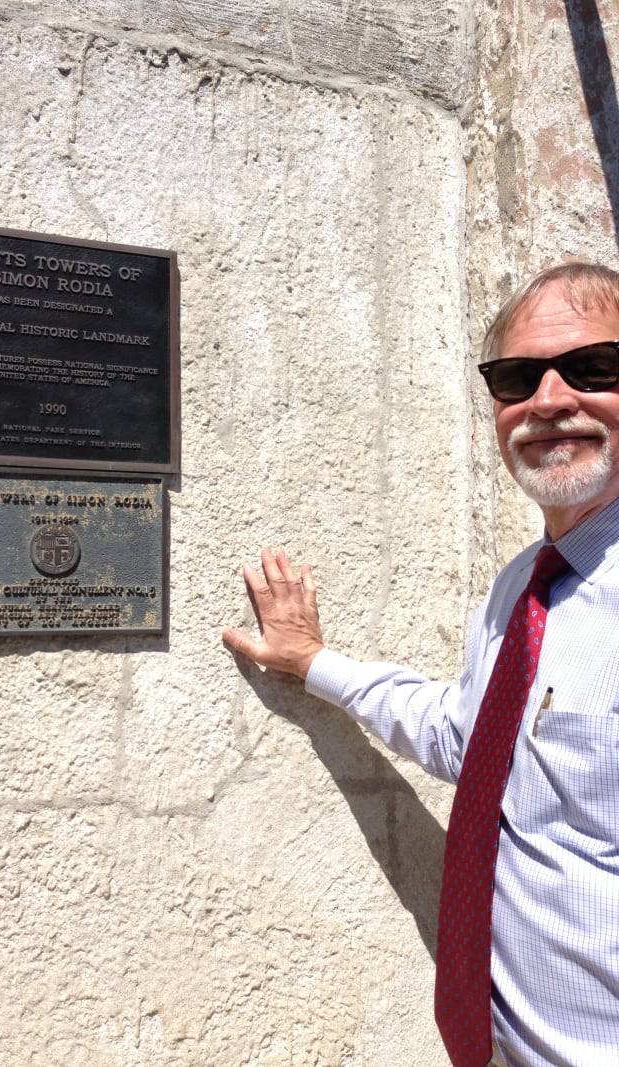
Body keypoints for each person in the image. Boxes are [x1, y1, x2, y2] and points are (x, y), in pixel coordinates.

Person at [222, 261, 619, 1067]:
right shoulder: (524, 587)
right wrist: (313, 662)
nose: (549, 400)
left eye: (593, 368)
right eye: (517, 377)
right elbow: (471, 738)